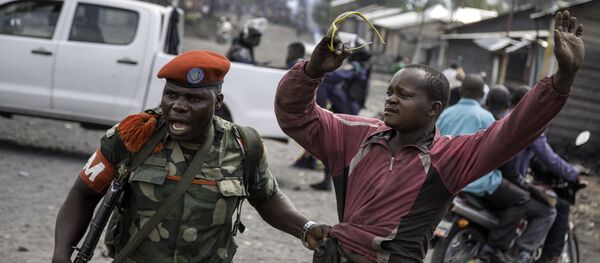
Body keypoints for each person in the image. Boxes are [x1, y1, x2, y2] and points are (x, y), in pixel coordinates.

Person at [274, 10, 584, 262]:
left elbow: (514, 130)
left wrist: (562, 79)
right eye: (391, 92)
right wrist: (311, 71)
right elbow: (294, 115)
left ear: (434, 108)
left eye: (404, 95)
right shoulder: (355, 136)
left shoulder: (450, 157)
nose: (391, 99)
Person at [52, 51, 329, 263]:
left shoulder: (244, 145)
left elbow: (267, 198)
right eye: (171, 95)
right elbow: (83, 193)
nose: (179, 106)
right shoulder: (133, 136)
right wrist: (61, 254)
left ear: (217, 103)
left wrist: (306, 228)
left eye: (194, 99)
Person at [438, 78, 557, 263]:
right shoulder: (488, 119)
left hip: (444, 176)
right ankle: (494, 249)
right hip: (477, 181)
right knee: (521, 198)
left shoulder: (446, 113)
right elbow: (500, 155)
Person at [511, 85, 583, 263]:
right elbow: (549, 159)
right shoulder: (531, 123)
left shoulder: (502, 117)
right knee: (554, 209)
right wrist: (572, 173)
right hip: (510, 182)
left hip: (495, 178)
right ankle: (532, 253)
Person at [308, 38, 372, 191]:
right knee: (335, 145)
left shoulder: (357, 66)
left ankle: (317, 109)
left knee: (324, 80)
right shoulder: (365, 66)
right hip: (349, 106)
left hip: (348, 106)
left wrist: (317, 69)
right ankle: (328, 181)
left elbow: (338, 76)